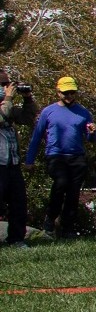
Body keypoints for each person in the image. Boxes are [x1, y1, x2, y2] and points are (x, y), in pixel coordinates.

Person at [25, 76, 96, 237]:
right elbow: (36, 137)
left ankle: (68, 228)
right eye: (66, 93)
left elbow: (90, 138)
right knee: (61, 183)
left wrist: (93, 133)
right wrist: (29, 160)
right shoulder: (48, 112)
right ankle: (50, 218)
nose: (69, 96)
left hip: (77, 157)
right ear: (58, 92)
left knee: (73, 193)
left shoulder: (84, 113)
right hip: (56, 156)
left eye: (72, 92)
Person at [1, 70, 37, 245]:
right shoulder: (5, 105)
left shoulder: (8, 105)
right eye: (3, 84)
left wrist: (27, 98)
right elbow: (2, 117)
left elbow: (27, 118)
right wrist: (7, 98)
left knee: (18, 204)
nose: (7, 88)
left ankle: (16, 239)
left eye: (7, 84)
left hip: (12, 164)